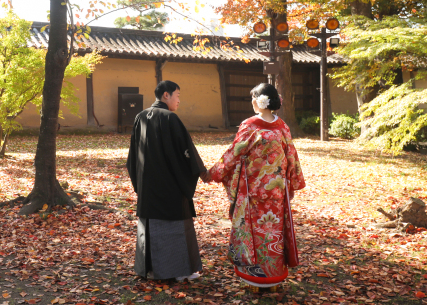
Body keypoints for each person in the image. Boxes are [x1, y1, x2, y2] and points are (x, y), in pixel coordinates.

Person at [207, 83, 305, 290]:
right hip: (277, 191)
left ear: (261, 101)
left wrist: (214, 172)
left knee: (256, 232)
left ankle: (255, 278)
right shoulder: (283, 127)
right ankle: (274, 276)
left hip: (253, 191)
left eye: (253, 98)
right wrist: (292, 183)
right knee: (274, 232)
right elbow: (292, 157)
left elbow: (234, 153)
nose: (251, 102)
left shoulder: (250, 125)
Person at [126, 80, 209, 281]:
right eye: (177, 95)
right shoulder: (171, 118)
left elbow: (132, 157)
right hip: (171, 185)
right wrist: (201, 171)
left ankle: (150, 270)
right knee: (175, 226)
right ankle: (178, 271)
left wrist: (139, 184)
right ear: (166, 95)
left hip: (148, 186)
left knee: (150, 226)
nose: (179, 100)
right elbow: (186, 151)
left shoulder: (140, 117)